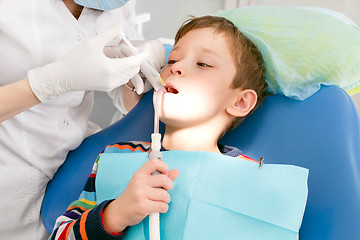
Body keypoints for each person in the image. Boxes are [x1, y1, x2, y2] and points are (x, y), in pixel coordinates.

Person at [48, 15, 268, 239]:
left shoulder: (254, 178)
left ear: (240, 102)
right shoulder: (116, 158)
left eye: (203, 64)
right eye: (172, 60)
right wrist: (115, 215)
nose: (177, 67)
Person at [0, 0, 165, 239]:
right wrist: (45, 84)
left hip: (74, 167)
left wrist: (135, 74)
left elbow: (126, 95)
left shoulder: (116, 4)